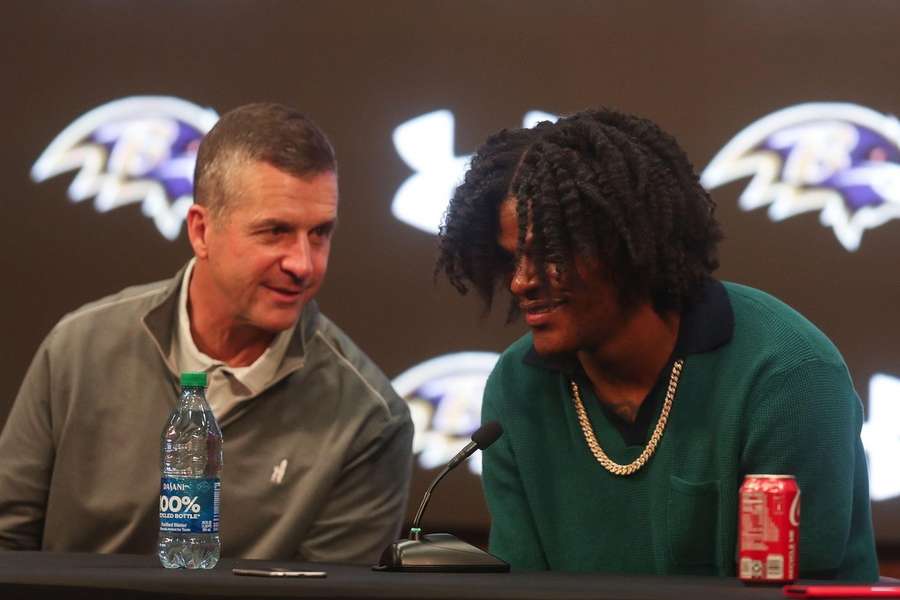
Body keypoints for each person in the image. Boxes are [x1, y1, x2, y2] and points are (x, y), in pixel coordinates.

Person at [435, 108, 878, 580]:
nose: (522, 282)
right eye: (511, 259)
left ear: (631, 246)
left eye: (552, 254)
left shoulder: (789, 372)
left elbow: (789, 592)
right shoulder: (516, 385)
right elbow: (521, 589)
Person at [0, 103, 413, 564]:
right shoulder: (78, 350)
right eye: (275, 231)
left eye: (319, 233)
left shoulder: (368, 419)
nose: (303, 263)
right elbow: (6, 542)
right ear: (201, 230)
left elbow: (330, 597)